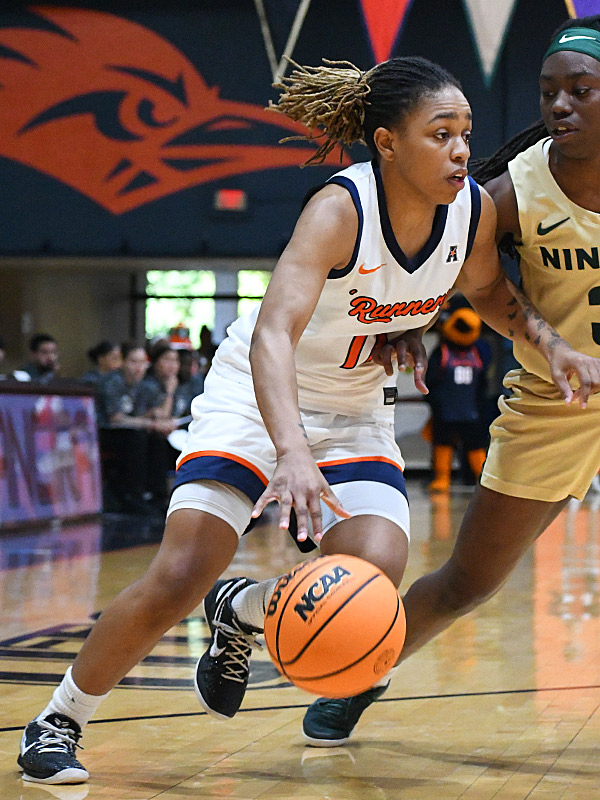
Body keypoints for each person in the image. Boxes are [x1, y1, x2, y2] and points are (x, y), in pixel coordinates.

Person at [17, 54, 598, 784]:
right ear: (387, 143)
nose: (460, 150)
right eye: (440, 133)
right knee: (184, 567)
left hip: (354, 404)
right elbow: (271, 335)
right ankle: (60, 719)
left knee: (376, 567)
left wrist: (553, 347)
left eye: (465, 133)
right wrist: (290, 451)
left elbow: (491, 294)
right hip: (260, 394)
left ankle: (244, 607)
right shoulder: (339, 209)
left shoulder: (473, 210)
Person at [297, 16, 600, 746]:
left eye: (581, 91)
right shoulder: (512, 192)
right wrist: (414, 320)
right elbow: (450, 268)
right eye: (549, 92)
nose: (560, 105)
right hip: (554, 405)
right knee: (468, 579)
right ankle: (362, 670)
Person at [425, 303, 490, 492]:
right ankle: (441, 478)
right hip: (445, 411)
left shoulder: (478, 351)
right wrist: (435, 404)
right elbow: (432, 380)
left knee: (476, 447)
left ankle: (483, 480)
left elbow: (483, 382)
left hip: (471, 411)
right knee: (442, 446)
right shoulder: (442, 352)